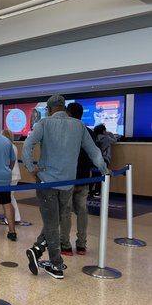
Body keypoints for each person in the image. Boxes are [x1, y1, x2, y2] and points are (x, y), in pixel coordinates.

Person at [22, 94, 110, 279]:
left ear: (50, 109)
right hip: (68, 182)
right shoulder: (78, 126)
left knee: (52, 222)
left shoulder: (44, 124)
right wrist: (104, 170)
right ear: (63, 107)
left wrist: (31, 167)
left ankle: (55, 264)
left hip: (47, 180)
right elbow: (94, 151)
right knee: (57, 220)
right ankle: (38, 251)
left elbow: (27, 145)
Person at [60, 103, 95, 256]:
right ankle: (81, 245)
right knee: (82, 211)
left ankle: (65, 245)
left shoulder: (65, 131)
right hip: (83, 177)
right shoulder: (89, 132)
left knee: (66, 212)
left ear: (68, 114)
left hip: (67, 178)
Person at [0, 129, 22, 226]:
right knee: (11, 196)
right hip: (15, 174)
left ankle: (11, 219)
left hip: (11, 175)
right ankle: (15, 217)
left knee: (9, 198)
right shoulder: (13, 146)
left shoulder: (7, 146)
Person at [89, 123, 118, 197]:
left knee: (94, 175)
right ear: (103, 131)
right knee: (101, 175)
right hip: (104, 159)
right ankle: (97, 192)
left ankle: (89, 191)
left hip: (94, 159)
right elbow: (114, 140)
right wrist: (110, 134)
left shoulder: (94, 138)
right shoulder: (106, 138)